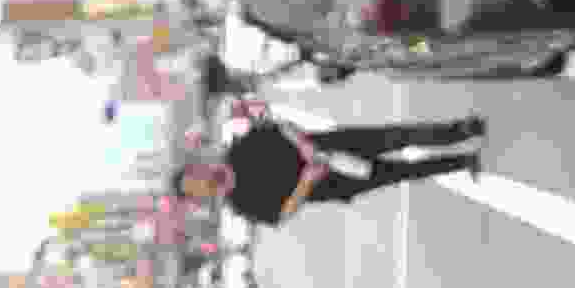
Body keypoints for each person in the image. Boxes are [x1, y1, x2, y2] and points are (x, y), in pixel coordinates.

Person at [178, 98, 491, 226]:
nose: (202, 183)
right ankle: (463, 161)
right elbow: (283, 213)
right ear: (200, 195)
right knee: (402, 172)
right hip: (333, 183)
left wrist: (303, 145)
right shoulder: (241, 204)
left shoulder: (237, 150)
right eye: (196, 189)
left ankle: (462, 130)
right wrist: (306, 183)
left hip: (331, 146)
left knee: (398, 137)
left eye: (196, 178)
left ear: (199, 168)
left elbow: (276, 126)